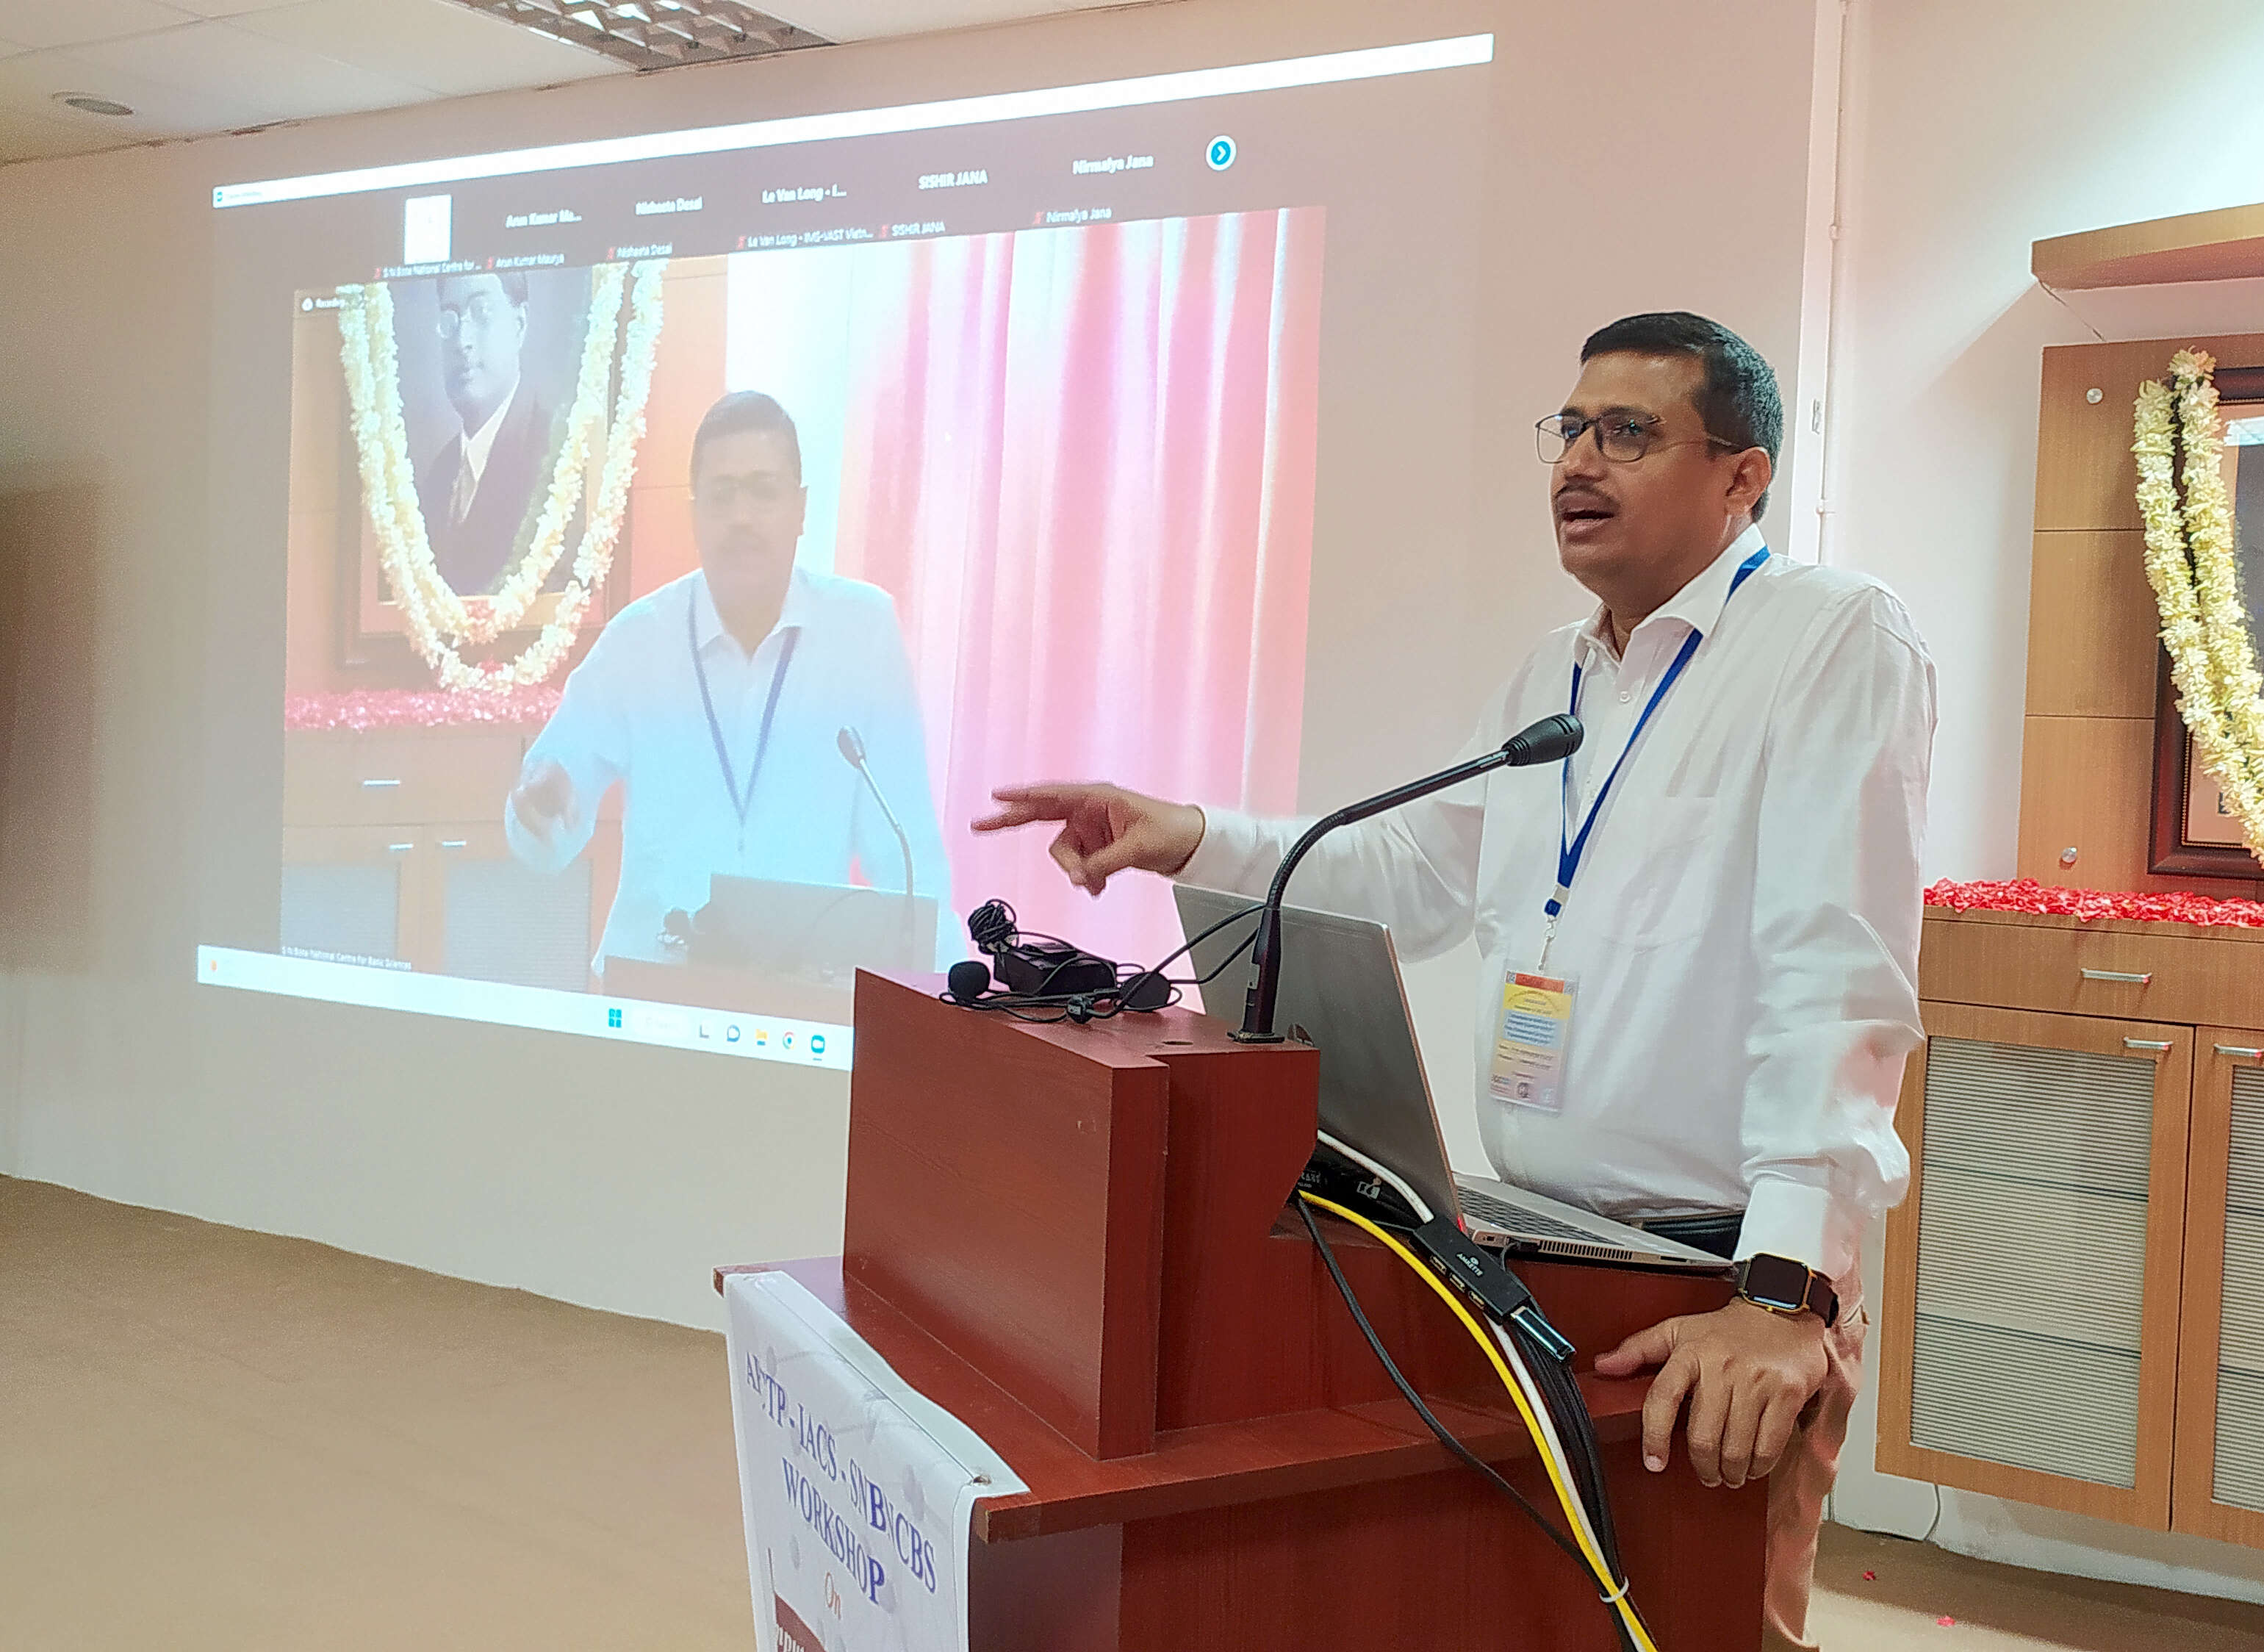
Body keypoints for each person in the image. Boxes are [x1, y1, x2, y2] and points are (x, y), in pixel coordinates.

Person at [976, 313, 1933, 1651]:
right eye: (1571, 429)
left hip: (1714, 1278)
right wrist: (1186, 833)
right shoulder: (1559, 670)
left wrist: (1783, 1295)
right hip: (1535, 1247)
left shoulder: (1827, 637)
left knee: (1707, 1626)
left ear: (1742, 475)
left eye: (1630, 432)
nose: (1579, 461)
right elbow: (1416, 873)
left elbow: (1837, 971)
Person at [507, 391, 953, 974]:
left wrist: (951, 1000)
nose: (742, 517)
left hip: (800, 995)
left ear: (800, 509)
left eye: (763, 491)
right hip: (652, 988)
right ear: (695, 514)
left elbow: (906, 853)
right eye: (722, 496)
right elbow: (547, 822)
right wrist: (539, 814)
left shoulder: (861, 632)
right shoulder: (638, 640)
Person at [417, 273, 564, 596]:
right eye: (450, 319)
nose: (462, 340)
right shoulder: (438, 477)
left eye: (482, 311)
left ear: (519, 325)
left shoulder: (559, 456)